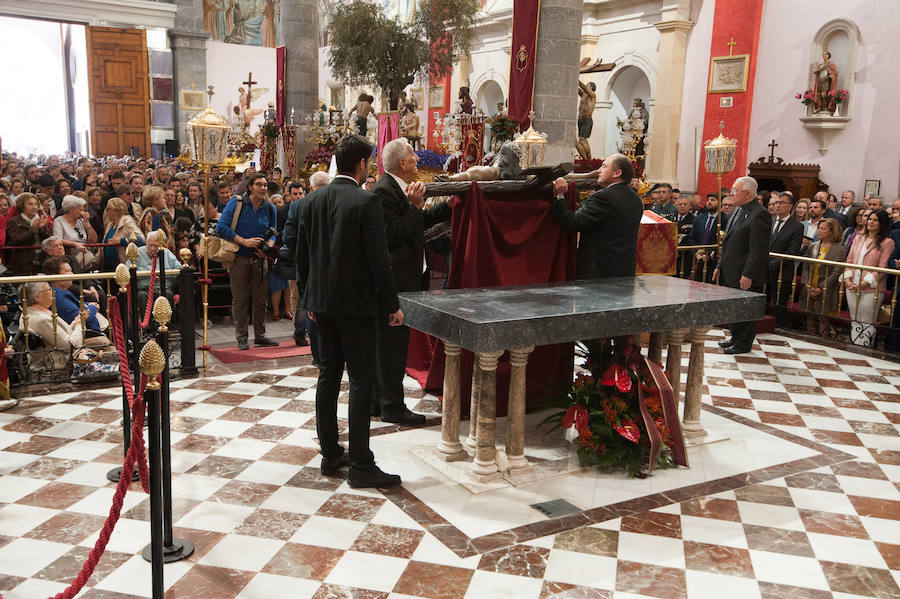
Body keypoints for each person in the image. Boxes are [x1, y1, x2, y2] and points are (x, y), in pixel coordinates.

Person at [296, 133, 403, 488]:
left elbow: (303, 255)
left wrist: (308, 299)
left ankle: (330, 454)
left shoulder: (312, 200)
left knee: (328, 374)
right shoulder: (365, 201)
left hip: (321, 305)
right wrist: (392, 304)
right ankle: (360, 463)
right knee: (360, 380)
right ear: (361, 164)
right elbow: (379, 260)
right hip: (356, 306)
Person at [371, 139, 451, 426]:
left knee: (391, 344)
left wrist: (446, 208)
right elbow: (393, 235)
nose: (417, 159)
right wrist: (416, 206)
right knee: (392, 346)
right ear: (402, 163)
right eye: (413, 156)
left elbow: (416, 222)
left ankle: (377, 401)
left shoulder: (396, 189)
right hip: (395, 281)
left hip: (404, 277)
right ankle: (392, 406)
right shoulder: (383, 191)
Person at [549, 153, 643, 279]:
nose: (599, 170)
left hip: (598, 273)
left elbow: (573, 222)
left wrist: (559, 196)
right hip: (624, 271)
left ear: (617, 173)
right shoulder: (636, 199)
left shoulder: (604, 197)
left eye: (604, 166)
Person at [216, 171, 278, 350]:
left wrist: (268, 246)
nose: (263, 188)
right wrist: (244, 241)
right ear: (250, 187)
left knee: (260, 299)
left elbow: (274, 231)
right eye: (259, 184)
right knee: (240, 299)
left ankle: (260, 335)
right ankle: (242, 337)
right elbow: (221, 227)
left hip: (260, 259)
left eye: (265, 185)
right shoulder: (237, 203)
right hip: (239, 257)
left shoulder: (269, 207)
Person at [713, 176, 771, 354]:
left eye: (735, 191)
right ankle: (735, 337)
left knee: (745, 309)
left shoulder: (760, 214)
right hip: (731, 269)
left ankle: (743, 343)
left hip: (745, 272)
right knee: (734, 308)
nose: (732, 193)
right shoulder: (738, 211)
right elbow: (728, 242)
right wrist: (719, 265)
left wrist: (748, 274)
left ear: (747, 193)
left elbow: (757, 250)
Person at [284, 173, 328, 360]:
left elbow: (289, 237)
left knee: (308, 305)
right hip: (330, 263)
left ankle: (318, 355)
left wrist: (304, 252)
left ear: (310, 187)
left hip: (307, 263)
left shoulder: (297, 205)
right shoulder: (334, 202)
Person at [841, 209, 895, 347]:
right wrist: (848, 280)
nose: (871, 222)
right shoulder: (858, 237)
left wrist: (863, 284)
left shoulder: (887, 242)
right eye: (870, 219)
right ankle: (854, 347)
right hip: (852, 284)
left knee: (867, 320)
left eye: (875, 220)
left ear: (882, 223)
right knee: (855, 318)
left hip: (872, 288)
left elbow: (882, 268)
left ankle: (864, 349)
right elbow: (849, 260)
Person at [19, 281, 87, 373]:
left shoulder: (29, 313)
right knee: (103, 345)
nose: (54, 292)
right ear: (37, 297)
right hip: (56, 365)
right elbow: (70, 346)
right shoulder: (42, 320)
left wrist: (76, 322)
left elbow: (65, 335)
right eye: (49, 290)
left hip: (55, 359)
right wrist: (79, 325)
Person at [42, 257, 111, 345]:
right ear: (54, 276)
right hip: (88, 334)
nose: (72, 274)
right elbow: (82, 319)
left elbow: (77, 304)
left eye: (71, 271)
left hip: (91, 329)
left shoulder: (61, 290)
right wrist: (92, 307)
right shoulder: (57, 296)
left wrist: (88, 304)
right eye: (67, 271)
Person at [799, 219, 846, 337]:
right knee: (809, 316)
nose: (819, 231)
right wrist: (808, 285)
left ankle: (823, 344)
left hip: (827, 288)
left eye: (823, 229)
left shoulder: (840, 249)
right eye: (819, 228)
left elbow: (836, 272)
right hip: (810, 285)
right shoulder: (813, 246)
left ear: (832, 231)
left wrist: (821, 288)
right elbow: (805, 267)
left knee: (823, 318)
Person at [767, 193, 804, 306]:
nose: (777, 205)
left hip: (782, 271)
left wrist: (771, 265)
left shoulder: (797, 226)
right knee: (763, 304)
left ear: (790, 206)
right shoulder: (769, 221)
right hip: (764, 269)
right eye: (776, 202)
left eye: (781, 202)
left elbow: (792, 251)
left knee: (779, 304)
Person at [6, 192, 51, 274]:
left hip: (41, 258)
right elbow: (15, 240)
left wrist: (43, 229)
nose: (34, 207)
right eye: (30, 204)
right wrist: (32, 229)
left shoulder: (41, 219)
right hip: (22, 260)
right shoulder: (13, 221)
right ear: (22, 206)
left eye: (36, 204)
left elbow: (47, 240)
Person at [52, 195, 98, 269]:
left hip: (85, 255)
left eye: (83, 210)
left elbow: (94, 240)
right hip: (70, 256)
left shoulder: (81, 221)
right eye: (80, 210)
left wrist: (87, 223)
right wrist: (75, 244)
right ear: (71, 209)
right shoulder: (58, 221)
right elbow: (58, 239)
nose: (83, 213)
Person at [101, 197, 145, 271]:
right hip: (108, 264)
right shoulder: (110, 224)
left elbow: (141, 239)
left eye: (108, 209)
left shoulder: (127, 221)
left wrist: (122, 241)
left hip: (122, 264)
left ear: (117, 210)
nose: (106, 211)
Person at [576, 81, 596, 160]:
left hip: (587, 119)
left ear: (591, 88)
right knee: (581, 140)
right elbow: (577, 89)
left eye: (588, 85)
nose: (586, 87)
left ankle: (589, 158)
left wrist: (577, 80)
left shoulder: (592, 95)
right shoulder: (584, 95)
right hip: (580, 119)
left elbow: (585, 88)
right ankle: (585, 159)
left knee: (582, 139)